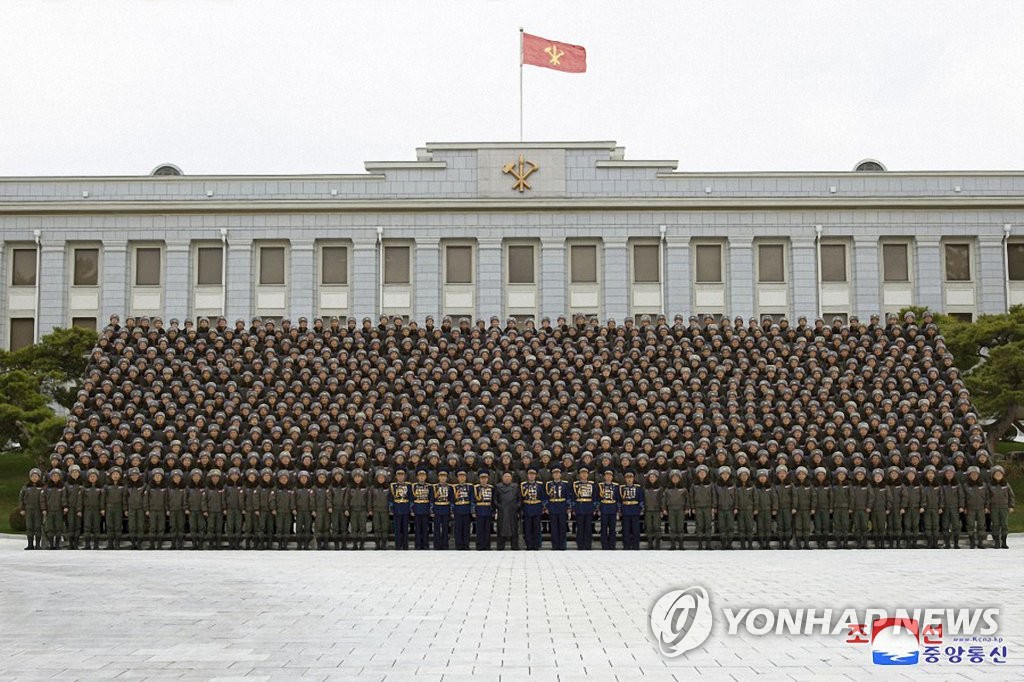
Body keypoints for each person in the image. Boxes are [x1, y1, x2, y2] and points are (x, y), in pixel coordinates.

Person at [986, 465, 1014, 549]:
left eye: (1000, 473)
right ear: (993, 475)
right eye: (996, 473)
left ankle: (1004, 542)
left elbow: (1011, 496)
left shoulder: (1006, 484)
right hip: (994, 508)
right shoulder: (990, 485)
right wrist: (987, 507)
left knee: (1004, 524)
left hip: (1004, 507)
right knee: (995, 524)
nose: (998, 475)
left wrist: (1011, 506)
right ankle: (997, 542)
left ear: (1002, 475)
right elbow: (987, 497)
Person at [571, 467, 598, 550]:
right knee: (580, 528)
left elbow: (595, 497)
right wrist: (573, 508)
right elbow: (573, 497)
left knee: (588, 528)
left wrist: (594, 508)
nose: (583, 474)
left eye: (585, 473)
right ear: (579, 475)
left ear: (588, 475)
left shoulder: (592, 485)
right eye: (582, 473)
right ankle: (580, 545)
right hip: (579, 508)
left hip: (589, 508)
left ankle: (588, 545)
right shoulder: (575, 485)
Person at [18, 468, 45, 550]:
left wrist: (44, 509)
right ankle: (30, 544)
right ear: (30, 477)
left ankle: (37, 545)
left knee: (37, 526)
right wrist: (22, 509)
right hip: (28, 509)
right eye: (32, 476)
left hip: (38, 510)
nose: (34, 478)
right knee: (29, 526)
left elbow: (45, 498)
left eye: (36, 476)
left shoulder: (43, 487)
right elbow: (21, 498)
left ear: (39, 477)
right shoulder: (26, 487)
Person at [545, 466, 571, 551]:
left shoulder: (565, 484)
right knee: (554, 528)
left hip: (562, 507)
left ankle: (562, 545)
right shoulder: (548, 484)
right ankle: (555, 545)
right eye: (554, 473)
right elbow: (546, 497)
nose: (556, 475)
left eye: (558, 473)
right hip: (552, 507)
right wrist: (547, 507)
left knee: (562, 528)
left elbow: (568, 496)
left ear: (560, 474)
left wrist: (568, 507)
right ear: (552, 475)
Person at [520, 468, 545, 550]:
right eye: (530, 474)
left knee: (537, 528)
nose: (531, 476)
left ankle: (536, 545)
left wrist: (543, 507)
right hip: (527, 507)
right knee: (527, 528)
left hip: (537, 507)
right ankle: (529, 545)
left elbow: (542, 496)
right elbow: (521, 498)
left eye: (533, 474)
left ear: (535, 475)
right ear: (527, 475)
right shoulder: (523, 485)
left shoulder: (540, 485)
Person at [940, 465, 965, 549]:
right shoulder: (942, 485)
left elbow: (961, 496)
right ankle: (947, 543)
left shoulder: (957, 484)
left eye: (951, 473)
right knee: (945, 526)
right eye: (947, 473)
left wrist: (961, 506)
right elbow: (940, 496)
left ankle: (956, 543)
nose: (949, 474)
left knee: (956, 526)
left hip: (955, 508)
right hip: (945, 508)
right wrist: (941, 506)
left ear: (954, 474)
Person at [963, 465, 987, 549]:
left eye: (976, 474)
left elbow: (987, 496)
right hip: (970, 508)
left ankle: (980, 542)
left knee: (981, 525)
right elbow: (963, 497)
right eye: (972, 474)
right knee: (970, 525)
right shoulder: (966, 485)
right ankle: (972, 542)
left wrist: (986, 506)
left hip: (981, 508)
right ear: (969, 475)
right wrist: (964, 507)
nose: (974, 476)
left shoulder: (983, 485)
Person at [713, 466, 737, 550]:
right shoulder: (716, 485)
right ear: (720, 475)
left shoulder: (733, 485)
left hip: (730, 509)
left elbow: (735, 497)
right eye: (723, 474)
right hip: (721, 509)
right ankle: (723, 544)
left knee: (730, 527)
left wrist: (736, 507)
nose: (725, 475)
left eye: (727, 474)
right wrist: (715, 507)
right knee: (722, 527)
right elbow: (715, 497)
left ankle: (729, 544)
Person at [102, 466, 126, 550]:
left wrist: (125, 509)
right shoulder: (106, 486)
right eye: (114, 474)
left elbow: (124, 499)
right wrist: (102, 508)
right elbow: (103, 498)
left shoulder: (123, 486)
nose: (115, 476)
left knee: (118, 526)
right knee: (109, 526)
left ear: (120, 476)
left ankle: (117, 544)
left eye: (117, 474)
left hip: (118, 508)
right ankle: (110, 544)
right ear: (111, 476)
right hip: (109, 507)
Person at [495, 471, 520, 550]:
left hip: (513, 510)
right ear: (502, 478)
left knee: (514, 528)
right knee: (501, 528)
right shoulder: (498, 486)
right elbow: (495, 500)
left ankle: (515, 546)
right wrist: (499, 507)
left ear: (511, 478)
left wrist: (516, 507)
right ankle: (500, 546)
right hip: (502, 511)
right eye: (505, 476)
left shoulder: (516, 486)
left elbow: (519, 499)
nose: (507, 478)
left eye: (508, 476)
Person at [691, 464, 713, 550]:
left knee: (708, 525)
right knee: (699, 525)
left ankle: (708, 544)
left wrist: (713, 506)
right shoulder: (694, 485)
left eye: (703, 472)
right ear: (697, 474)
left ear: (706, 473)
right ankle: (699, 544)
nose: (702, 474)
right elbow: (691, 496)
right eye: (700, 472)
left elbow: (713, 495)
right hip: (698, 507)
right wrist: (692, 507)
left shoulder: (710, 484)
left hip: (707, 507)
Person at [619, 470, 643, 550]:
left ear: (633, 478)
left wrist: (640, 509)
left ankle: (636, 545)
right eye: (627, 477)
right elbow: (620, 500)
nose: (629, 479)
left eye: (631, 477)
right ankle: (626, 545)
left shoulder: (638, 488)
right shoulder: (622, 488)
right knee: (626, 529)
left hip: (635, 510)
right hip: (625, 511)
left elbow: (641, 500)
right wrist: (620, 510)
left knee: (635, 530)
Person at [753, 468, 777, 550]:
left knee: (768, 527)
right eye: (760, 476)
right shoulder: (755, 487)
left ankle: (767, 543)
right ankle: (761, 544)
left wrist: (774, 508)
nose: (762, 478)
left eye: (764, 476)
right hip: (759, 510)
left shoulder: (770, 487)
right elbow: (754, 499)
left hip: (768, 510)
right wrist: (755, 509)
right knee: (760, 527)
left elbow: (774, 498)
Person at [389, 468, 412, 550]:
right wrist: (391, 509)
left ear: (405, 476)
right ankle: (398, 545)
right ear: (396, 476)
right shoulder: (393, 486)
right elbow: (391, 499)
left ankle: (405, 545)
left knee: (405, 528)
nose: (400, 477)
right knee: (397, 529)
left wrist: (411, 509)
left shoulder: (408, 485)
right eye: (399, 475)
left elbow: (410, 498)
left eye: (402, 475)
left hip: (405, 509)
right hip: (397, 509)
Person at [346, 468, 369, 550]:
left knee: (362, 527)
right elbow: (347, 499)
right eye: (356, 477)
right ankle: (355, 544)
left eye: (359, 477)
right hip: (353, 510)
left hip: (362, 510)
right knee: (354, 527)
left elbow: (368, 499)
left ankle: (362, 544)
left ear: (362, 478)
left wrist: (368, 510)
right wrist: (346, 509)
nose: (358, 479)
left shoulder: (366, 487)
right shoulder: (350, 487)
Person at [271, 470, 295, 550]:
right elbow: (272, 499)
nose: (284, 480)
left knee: (286, 528)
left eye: (285, 478)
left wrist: (293, 508)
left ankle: (285, 543)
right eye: (282, 478)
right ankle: (280, 544)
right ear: (279, 479)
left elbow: (292, 500)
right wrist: (273, 508)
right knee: (279, 527)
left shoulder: (290, 489)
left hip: (288, 512)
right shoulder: (276, 489)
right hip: (279, 511)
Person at [145, 468, 168, 550]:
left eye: (159, 475)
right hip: (152, 510)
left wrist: (166, 509)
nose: (157, 477)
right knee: (152, 527)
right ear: (153, 477)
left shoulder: (165, 487)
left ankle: (159, 545)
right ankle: (152, 545)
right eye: (156, 476)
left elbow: (166, 499)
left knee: (161, 527)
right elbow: (146, 499)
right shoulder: (149, 487)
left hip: (161, 510)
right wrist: (147, 509)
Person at [900, 468, 923, 549]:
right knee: (907, 525)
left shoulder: (919, 485)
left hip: (916, 508)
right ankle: (908, 542)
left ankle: (915, 542)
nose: (910, 476)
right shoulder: (903, 485)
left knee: (915, 525)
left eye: (912, 474)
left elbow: (923, 496)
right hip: (907, 509)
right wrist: (902, 507)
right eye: (909, 474)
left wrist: (922, 506)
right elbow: (901, 497)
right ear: (906, 476)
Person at [452, 469, 474, 550]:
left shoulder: (470, 487)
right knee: (458, 529)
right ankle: (458, 545)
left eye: (463, 476)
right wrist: (452, 511)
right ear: (457, 478)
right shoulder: (454, 487)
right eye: (460, 476)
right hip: (457, 510)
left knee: (466, 529)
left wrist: (472, 510)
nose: (462, 478)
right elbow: (452, 500)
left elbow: (472, 499)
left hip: (466, 509)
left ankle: (466, 545)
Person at [125, 467, 146, 550]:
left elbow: (145, 497)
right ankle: (133, 543)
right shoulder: (128, 486)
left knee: (140, 525)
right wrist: (125, 508)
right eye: (132, 475)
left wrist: (145, 508)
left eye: (136, 475)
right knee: (132, 526)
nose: (134, 477)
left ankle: (140, 543)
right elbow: (124, 498)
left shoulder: (143, 485)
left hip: (140, 508)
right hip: (131, 508)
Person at [411, 468, 433, 550]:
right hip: (417, 510)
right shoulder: (413, 486)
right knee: (418, 529)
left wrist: (431, 510)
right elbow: (411, 499)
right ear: (417, 477)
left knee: (425, 529)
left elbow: (431, 499)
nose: (421, 477)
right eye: (420, 476)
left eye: (423, 475)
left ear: (426, 477)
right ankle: (418, 545)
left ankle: (425, 544)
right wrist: (412, 510)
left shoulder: (429, 487)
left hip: (426, 509)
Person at [773, 465, 794, 550]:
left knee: (788, 525)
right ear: (777, 474)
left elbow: (794, 496)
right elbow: (774, 497)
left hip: (788, 508)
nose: (782, 474)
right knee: (780, 525)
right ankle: (781, 543)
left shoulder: (790, 484)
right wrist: (775, 508)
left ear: (786, 474)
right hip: (779, 509)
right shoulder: (775, 485)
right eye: (780, 473)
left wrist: (794, 507)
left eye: (783, 473)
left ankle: (788, 543)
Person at [431, 469, 453, 550]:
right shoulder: (434, 487)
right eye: (441, 476)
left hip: (446, 509)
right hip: (437, 509)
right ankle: (437, 545)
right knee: (436, 528)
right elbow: (431, 500)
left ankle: (445, 544)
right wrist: (432, 510)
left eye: (444, 476)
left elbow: (451, 500)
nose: (443, 478)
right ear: (438, 477)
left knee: (445, 528)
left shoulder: (450, 487)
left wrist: (451, 511)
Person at [473, 471, 495, 550]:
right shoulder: (475, 488)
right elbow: (473, 500)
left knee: (487, 529)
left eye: (485, 478)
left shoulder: (491, 488)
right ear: (479, 479)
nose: (483, 480)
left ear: (488, 479)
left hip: (488, 510)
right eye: (482, 478)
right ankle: (479, 545)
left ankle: (487, 546)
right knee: (479, 530)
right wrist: (473, 511)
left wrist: (493, 511)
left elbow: (493, 501)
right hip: (479, 510)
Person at [369, 469, 391, 550]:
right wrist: (370, 509)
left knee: (384, 527)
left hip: (385, 510)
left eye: (383, 478)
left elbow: (390, 499)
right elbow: (370, 499)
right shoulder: (373, 488)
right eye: (379, 478)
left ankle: (384, 544)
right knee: (377, 527)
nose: (381, 479)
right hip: (376, 510)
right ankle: (377, 543)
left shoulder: (388, 488)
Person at [811, 467, 832, 550]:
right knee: (818, 525)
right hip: (816, 509)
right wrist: (813, 508)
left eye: (822, 475)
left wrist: (830, 507)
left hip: (826, 508)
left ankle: (825, 542)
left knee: (825, 525)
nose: (820, 476)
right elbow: (812, 497)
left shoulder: (828, 485)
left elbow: (831, 497)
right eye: (819, 475)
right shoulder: (813, 485)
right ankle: (819, 542)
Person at [598, 469, 620, 550]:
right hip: (604, 509)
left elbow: (618, 498)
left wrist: (618, 510)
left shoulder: (616, 486)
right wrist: (598, 509)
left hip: (613, 509)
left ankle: (612, 545)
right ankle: (604, 545)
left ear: (612, 477)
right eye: (606, 475)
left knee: (612, 528)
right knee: (603, 528)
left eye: (610, 475)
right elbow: (598, 498)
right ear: (604, 477)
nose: (608, 477)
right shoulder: (600, 486)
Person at [734, 467, 755, 550]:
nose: (744, 477)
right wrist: (736, 507)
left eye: (745, 475)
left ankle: (750, 545)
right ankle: (742, 545)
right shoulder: (737, 487)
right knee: (741, 527)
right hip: (740, 510)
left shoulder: (751, 486)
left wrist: (755, 508)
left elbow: (755, 498)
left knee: (749, 527)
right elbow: (735, 498)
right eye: (742, 475)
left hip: (749, 509)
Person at [831, 467, 851, 549]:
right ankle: (838, 542)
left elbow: (851, 497)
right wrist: (831, 507)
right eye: (840, 474)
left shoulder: (848, 485)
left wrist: (851, 507)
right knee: (837, 525)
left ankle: (845, 542)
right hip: (836, 508)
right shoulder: (834, 485)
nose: (841, 476)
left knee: (845, 525)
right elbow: (831, 497)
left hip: (845, 508)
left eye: (843, 474)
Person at [642, 470, 664, 550]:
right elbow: (643, 499)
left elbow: (662, 499)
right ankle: (650, 543)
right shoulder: (645, 488)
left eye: (653, 477)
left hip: (656, 510)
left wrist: (662, 509)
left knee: (657, 526)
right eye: (650, 477)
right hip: (648, 510)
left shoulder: (660, 488)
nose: (652, 478)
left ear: (656, 478)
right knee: (649, 527)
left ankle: (657, 544)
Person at [204, 469, 225, 550]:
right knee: (210, 527)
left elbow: (224, 499)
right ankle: (211, 544)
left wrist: (224, 508)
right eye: (213, 477)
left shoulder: (222, 488)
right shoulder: (207, 488)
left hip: (219, 511)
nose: (215, 478)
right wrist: (205, 510)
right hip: (210, 511)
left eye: (217, 476)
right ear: (211, 478)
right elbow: (204, 500)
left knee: (219, 528)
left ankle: (218, 544)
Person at [293, 470, 314, 550]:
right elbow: (293, 499)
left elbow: (312, 500)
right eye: (302, 478)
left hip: (308, 511)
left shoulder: (310, 489)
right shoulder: (296, 489)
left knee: (307, 527)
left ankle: (306, 544)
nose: (303, 479)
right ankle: (299, 544)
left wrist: (312, 509)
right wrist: (293, 508)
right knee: (298, 527)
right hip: (299, 511)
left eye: (305, 478)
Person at [186, 468, 206, 550]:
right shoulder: (188, 488)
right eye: (194, 476)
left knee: (201, 527)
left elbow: (206, 499)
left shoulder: (204, 487)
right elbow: (185, 499)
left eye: (198, 476)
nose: (196, 477)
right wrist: (186, 508)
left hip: (201, 510)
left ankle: (200, 543)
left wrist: (205, 509)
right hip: (191, 510)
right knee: (193, 527)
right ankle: (194, 543)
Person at [330, 468, 348, 550]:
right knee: (335, 527)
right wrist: (329, 506)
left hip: (343, 510)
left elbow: (347, 498)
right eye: (336, 475)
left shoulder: (346, 487)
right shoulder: (331, 487)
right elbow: (329, 498)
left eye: (339, 475)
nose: (338, 477)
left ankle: (344, 544)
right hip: (334, 509)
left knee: (343, 527)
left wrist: (346, 508)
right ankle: (336, 544)